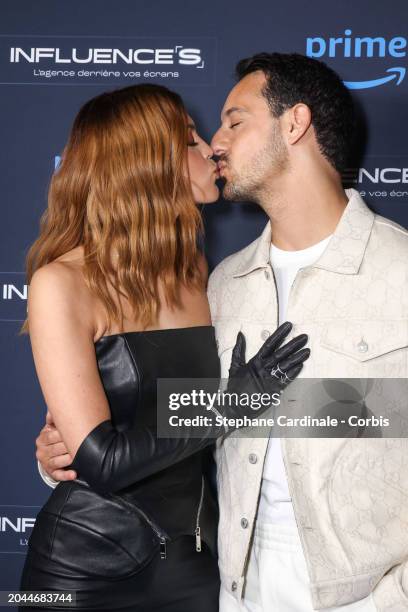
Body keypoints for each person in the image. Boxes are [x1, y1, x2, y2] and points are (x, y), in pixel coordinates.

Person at [22, 82, 310, 611]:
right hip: (82, 568)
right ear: (146, 161)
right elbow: (102, 460)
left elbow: (165, 413)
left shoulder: (200, 272)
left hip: (196, 563)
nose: (210, 149)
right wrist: (234, 401)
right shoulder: (61, 283)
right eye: (189, 139)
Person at [208, 53, 408, 611]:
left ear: (293, 124)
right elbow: (198, 425)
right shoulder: (225, 284)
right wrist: (83, 450)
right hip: (237, 594)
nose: (214, 141)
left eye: (234, 121)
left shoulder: (402, 273)